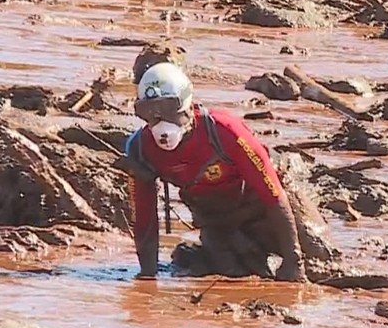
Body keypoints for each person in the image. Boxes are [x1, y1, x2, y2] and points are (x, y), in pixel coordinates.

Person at [123, 61, 307, 281]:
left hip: (267, 212)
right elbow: (145, 217)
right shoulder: (141, 150)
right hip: (219, 224)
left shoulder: (225, 131)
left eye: (169, 110)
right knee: (233, 273)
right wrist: (147, 276)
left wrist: (294, 259)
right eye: (149, 113)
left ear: (188, 107)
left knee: (318, 256)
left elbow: (273, 193)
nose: (160, 123)